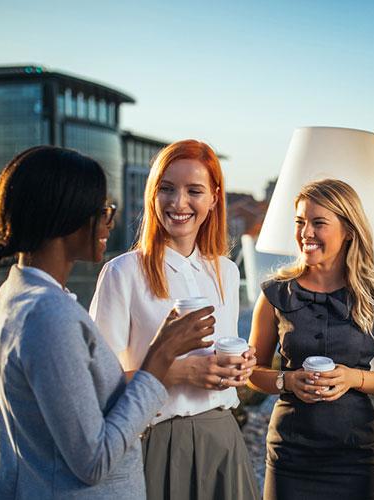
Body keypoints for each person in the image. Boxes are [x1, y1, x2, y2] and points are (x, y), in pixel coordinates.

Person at [0, 146, 215, 499]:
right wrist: (161, 355)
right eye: (102, 210)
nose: (109, 220)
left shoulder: (16, 291)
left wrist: (30, 467)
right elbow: (94, 461)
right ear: (67, 219)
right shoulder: (51, 317)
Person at [89, 139, 259, 500]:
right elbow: (96, 385)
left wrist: (241, 367)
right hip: (157, 442)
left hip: (224, 438)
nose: (178, 203)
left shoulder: (226, 272)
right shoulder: (122, 273)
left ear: (214, 198)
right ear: (153, 195)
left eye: (193, 191)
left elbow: (221, 356)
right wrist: (181, 372)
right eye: (166, 189)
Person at [248, 178, 374, 500]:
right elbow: (252, 373)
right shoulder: (274, 294)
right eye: (300, 222)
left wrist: (354, 378)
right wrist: (288, 381)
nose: (306, 233)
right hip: (289, 454)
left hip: (355, 454)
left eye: (318, 223)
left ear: (348, 230)